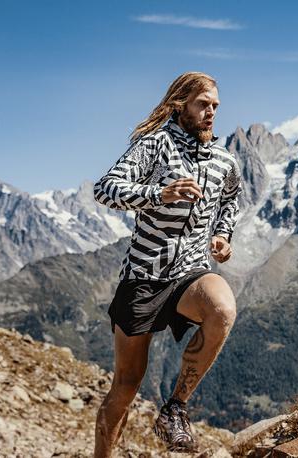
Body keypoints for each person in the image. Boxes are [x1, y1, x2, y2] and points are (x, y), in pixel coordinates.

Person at [92, 71, 242, 456]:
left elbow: (230, 201)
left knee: (222, 307)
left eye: (215, 106)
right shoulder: (154, 145)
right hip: (143, 274)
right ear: (181, 104)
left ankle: (174, 409)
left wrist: (222, 235)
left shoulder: (225, 159)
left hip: (190, 272)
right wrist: (159, 193)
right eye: (203, 104)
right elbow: (105, 188)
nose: (211, 112)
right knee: (125, 387)